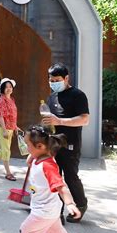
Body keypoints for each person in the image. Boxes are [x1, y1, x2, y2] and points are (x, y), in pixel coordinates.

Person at [41, 63, 90, 223]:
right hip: (53, 144)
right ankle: (57, 212)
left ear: (66, 78)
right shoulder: (52, 96)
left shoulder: (78, 95)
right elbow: (52, 119)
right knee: (54, 178)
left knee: (70, 177)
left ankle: (81, 205)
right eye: (51, 80)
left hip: (70, 144)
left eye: (57, 80)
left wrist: (59, 120)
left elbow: (85, 119)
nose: (53, 83)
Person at [20, 125, 81, 233]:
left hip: (43, 212)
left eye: (28, 145)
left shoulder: (48, 166)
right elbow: (32, 160)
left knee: (25, 232)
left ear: (40, 146)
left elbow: (61, 186)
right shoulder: (39, 157)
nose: (26, 148)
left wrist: (70, 203)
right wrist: (31, 156)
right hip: (50, 209)